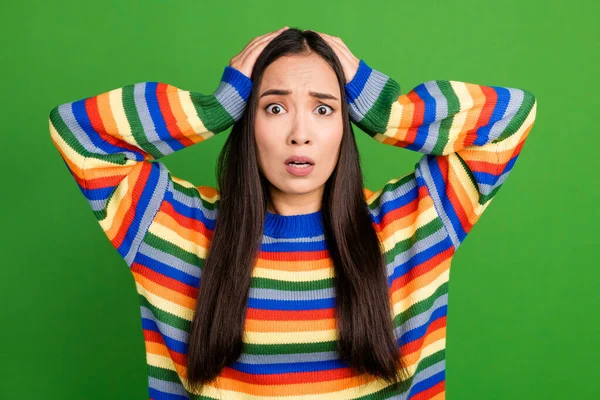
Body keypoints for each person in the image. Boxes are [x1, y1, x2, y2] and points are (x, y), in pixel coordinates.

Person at [48, 26, 537, 399]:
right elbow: (78, 132)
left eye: (325, 109)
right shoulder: (173, 226)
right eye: (274, 108)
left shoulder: (416, 220)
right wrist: (218, 106)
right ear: (248, 120)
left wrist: (382, 107)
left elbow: (510, 117)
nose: (300, 133)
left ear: (347, 124)